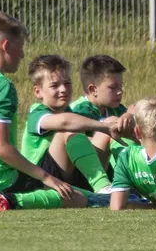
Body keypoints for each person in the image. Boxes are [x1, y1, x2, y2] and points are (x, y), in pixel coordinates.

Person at [0, 13, 86, 210]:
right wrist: (47, 178)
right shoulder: (1, 85)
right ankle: (7, 200)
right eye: (20, 47)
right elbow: (0, 147)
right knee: (77, 198)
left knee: (67, 190)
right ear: (6, 46)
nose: (22, 55)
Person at [19, 54, 123, 193]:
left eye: (67, 83)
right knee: (69, 130)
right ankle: (102, 186)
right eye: (55, 85)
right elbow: (64, 122)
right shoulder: (37, 114)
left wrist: (112, 126)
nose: (63, 89)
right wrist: (104, 127)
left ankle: (128, 182)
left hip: (71, 175)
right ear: (38, 92)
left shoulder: (70, 112)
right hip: (40, 180)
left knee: (109, 123)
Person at [69, 54, 135, 171]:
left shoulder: (116, 108)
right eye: (113, 87)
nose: (120, 91)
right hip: (87, 171)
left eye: (121, 86)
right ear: (93, 90)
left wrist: (131, 117)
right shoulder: (79, 111)